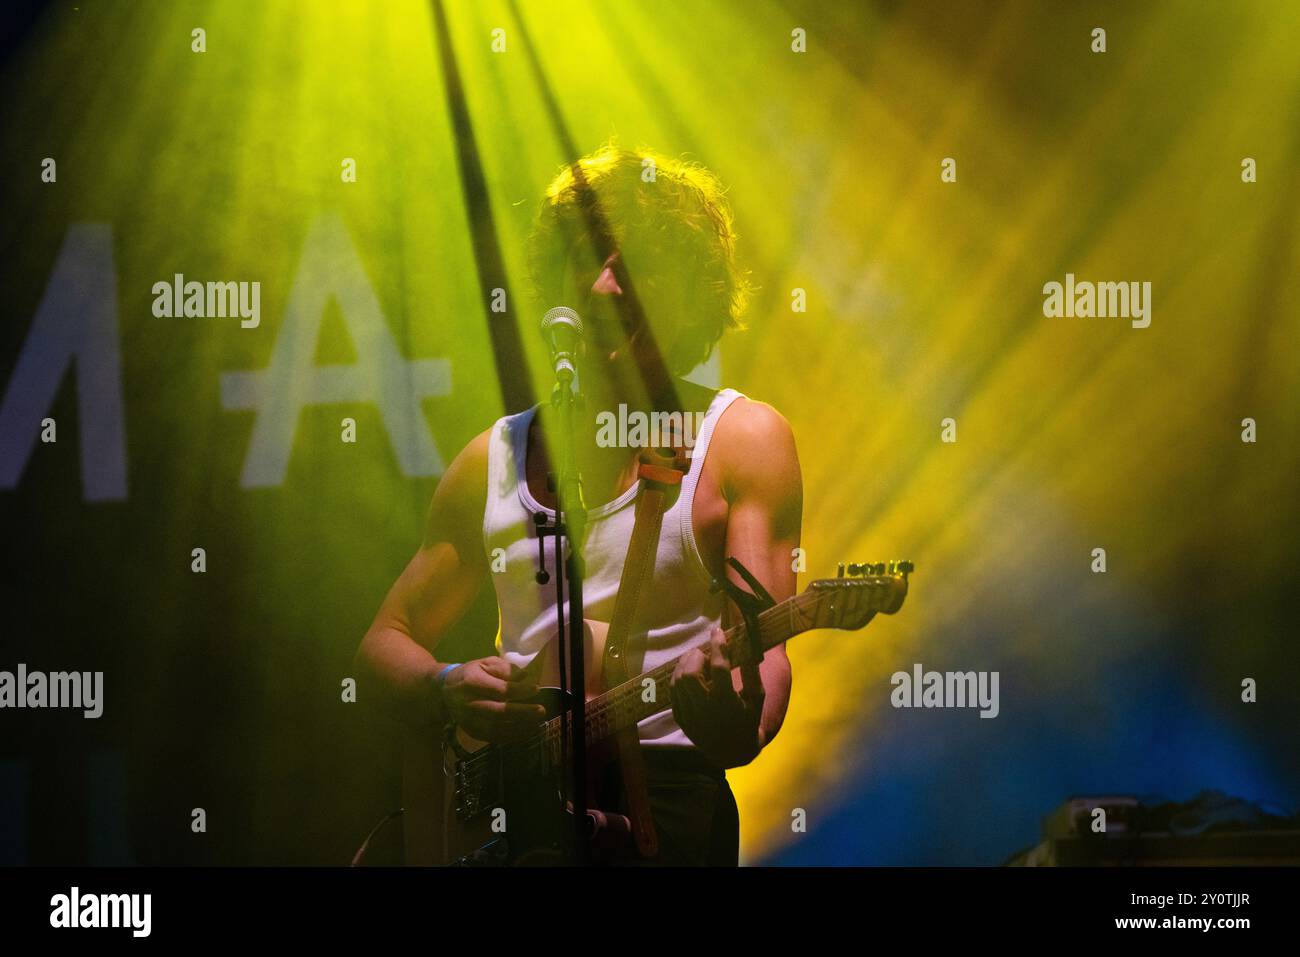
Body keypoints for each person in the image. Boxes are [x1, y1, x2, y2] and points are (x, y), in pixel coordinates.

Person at [355, 144, 802, 865]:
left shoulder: (743, 441)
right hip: (507, 822)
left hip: (666, 810)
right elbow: (383, 641)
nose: (602, 288)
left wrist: (732, 718)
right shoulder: (491, 458)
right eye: (583, 261)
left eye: (636, 267)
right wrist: (444, 687)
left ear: (690, 291)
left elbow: (767, 654)